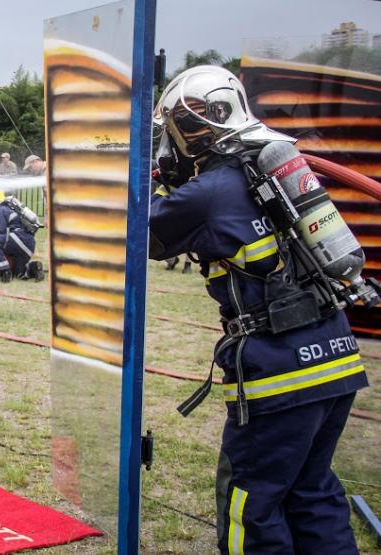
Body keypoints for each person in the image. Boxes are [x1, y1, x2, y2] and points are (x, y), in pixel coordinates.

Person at [149, 65, 367, 555]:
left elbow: (144, 233)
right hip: (337, 357)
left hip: (280, 373)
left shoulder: (207, 193)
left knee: (252, 504)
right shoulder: (271, 167)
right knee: (313, 491)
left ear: (195, 127)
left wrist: (154, 181)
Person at [0, 191, 43, 282]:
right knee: (18, 273)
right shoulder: (7, 209)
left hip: (19, 238)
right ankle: (34, 268)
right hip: (29, 244)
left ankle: (4, 273)